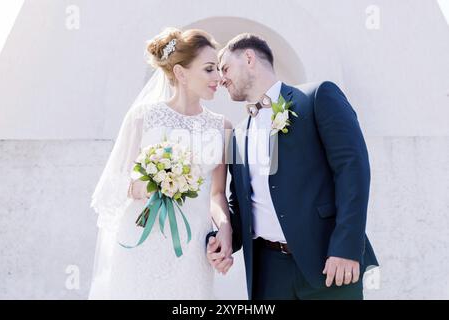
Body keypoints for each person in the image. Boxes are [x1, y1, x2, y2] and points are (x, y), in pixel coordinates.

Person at [206, 33, 379, 300]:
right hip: (268, 274)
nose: (222, 78)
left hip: (328, 263)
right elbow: (239, 202)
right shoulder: (236, 135)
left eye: (225, 68)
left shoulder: (317, 97)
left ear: (249, 58)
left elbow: (352, 170)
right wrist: (223, 238)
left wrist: (346, 247)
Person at [88, 27, 233, 299]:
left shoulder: (221, 127)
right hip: (142, 237)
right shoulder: (143, 117)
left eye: (218, 70)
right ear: (181, 73)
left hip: (191, 250)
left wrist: (225, 229)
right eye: (210, 69)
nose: (218, 77)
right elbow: (115, 184)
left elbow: (216, 194)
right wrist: (153, 184)